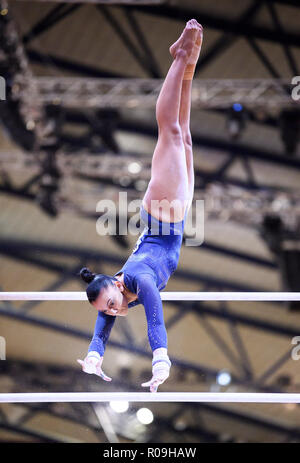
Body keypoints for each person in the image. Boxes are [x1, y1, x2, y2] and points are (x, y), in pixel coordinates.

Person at [77, 19, 203, 392]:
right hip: (175, 216)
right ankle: (190, 59)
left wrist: (161, 359)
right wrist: (92, 358)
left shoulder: (139, 282)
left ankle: (179, 55)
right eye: (108, 309)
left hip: (164, 211)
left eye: (112, 304)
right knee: (186, 139)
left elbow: (155, 320)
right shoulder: (116, 296)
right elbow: (102, 328)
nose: (113, 311)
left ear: (117, 283)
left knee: (171, 131)